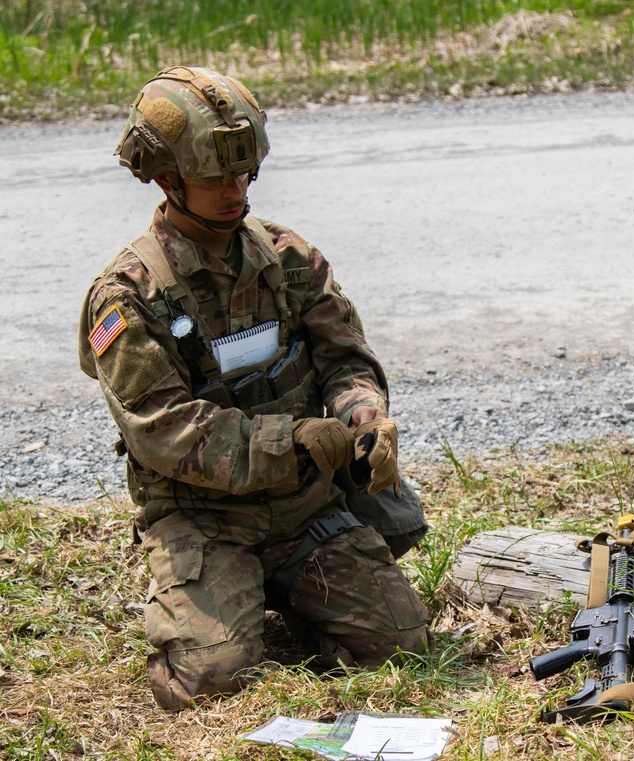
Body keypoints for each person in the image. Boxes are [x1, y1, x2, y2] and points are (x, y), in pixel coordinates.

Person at [78, 66, 430, 712]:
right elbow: (164, 430)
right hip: (205, 519)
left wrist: (365, 418)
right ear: (165, 178)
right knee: (212, 678)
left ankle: (292, 595)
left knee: (404, 640)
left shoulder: (289, 260)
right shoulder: (128, 296)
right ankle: (205, 603)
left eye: (246, 174)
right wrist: (293, 439)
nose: (236, 190)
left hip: (302, 509)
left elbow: (346, 360)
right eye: (217, 178)